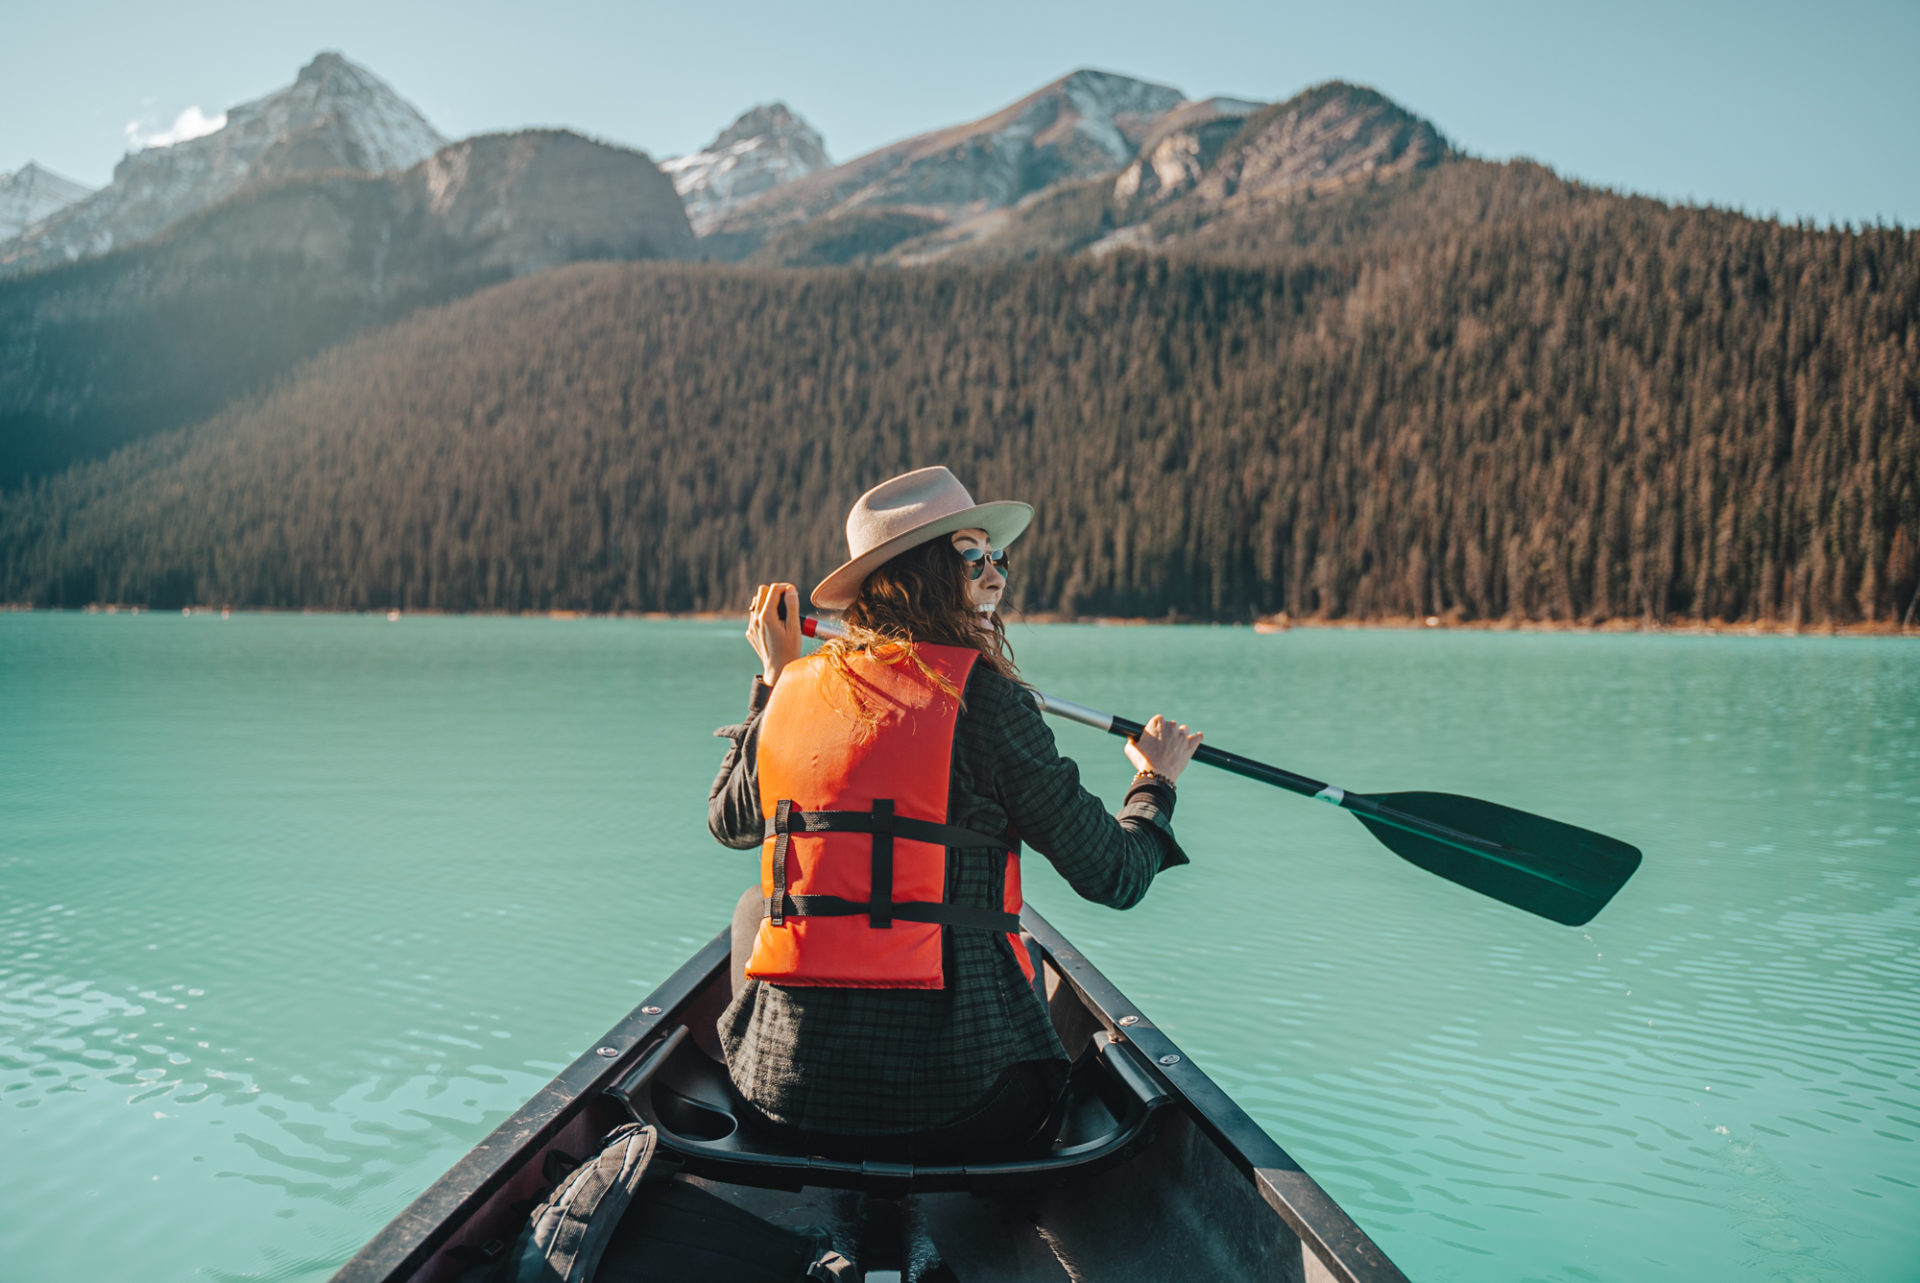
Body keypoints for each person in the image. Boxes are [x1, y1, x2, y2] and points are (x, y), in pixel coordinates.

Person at [706, 466, 1200, 1162]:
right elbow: (1114, 875)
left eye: (998, 556)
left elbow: (728, 820)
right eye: (972, 556)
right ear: (918, 574)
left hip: (780, 1099)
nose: (997, 575)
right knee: (1015, 942)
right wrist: (1155, 784)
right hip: (964, 1107)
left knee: (755, 908)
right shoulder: (992, 705)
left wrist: (772, 679)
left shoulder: (792, 689)